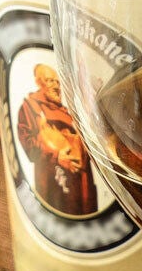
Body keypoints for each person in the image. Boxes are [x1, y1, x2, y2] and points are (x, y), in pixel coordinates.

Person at [15, 63, 97, 217]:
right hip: (53, 186)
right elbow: (28, 146)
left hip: (83, 187)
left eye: (57, 82)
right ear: (39, 83)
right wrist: (57, 156)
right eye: (50, 81)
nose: (56, 86)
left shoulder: (68, 112)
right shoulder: (30, 107)